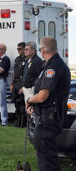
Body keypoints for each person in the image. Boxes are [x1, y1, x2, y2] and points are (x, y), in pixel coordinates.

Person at [26, 37, 70, 171]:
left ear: (43, 50)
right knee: (49, 157)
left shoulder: (52, 68)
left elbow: (42, 96)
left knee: (46, 161)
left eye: (40, 49)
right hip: (49, 118)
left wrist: (29, 100)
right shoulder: (56, 64)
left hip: (47, 121)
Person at [10, 42, 27, 127]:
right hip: (15, 83)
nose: (18, 50)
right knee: (16, 104)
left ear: (24, 49)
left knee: (22, 105)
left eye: (20, 49)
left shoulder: (27, 60)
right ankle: (17, 123)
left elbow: (27, 74)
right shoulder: (17, 59)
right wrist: (12, 84)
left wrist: (23, 86)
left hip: (21, 83)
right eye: (17, 49)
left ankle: (23, 123)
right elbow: (14, 72)